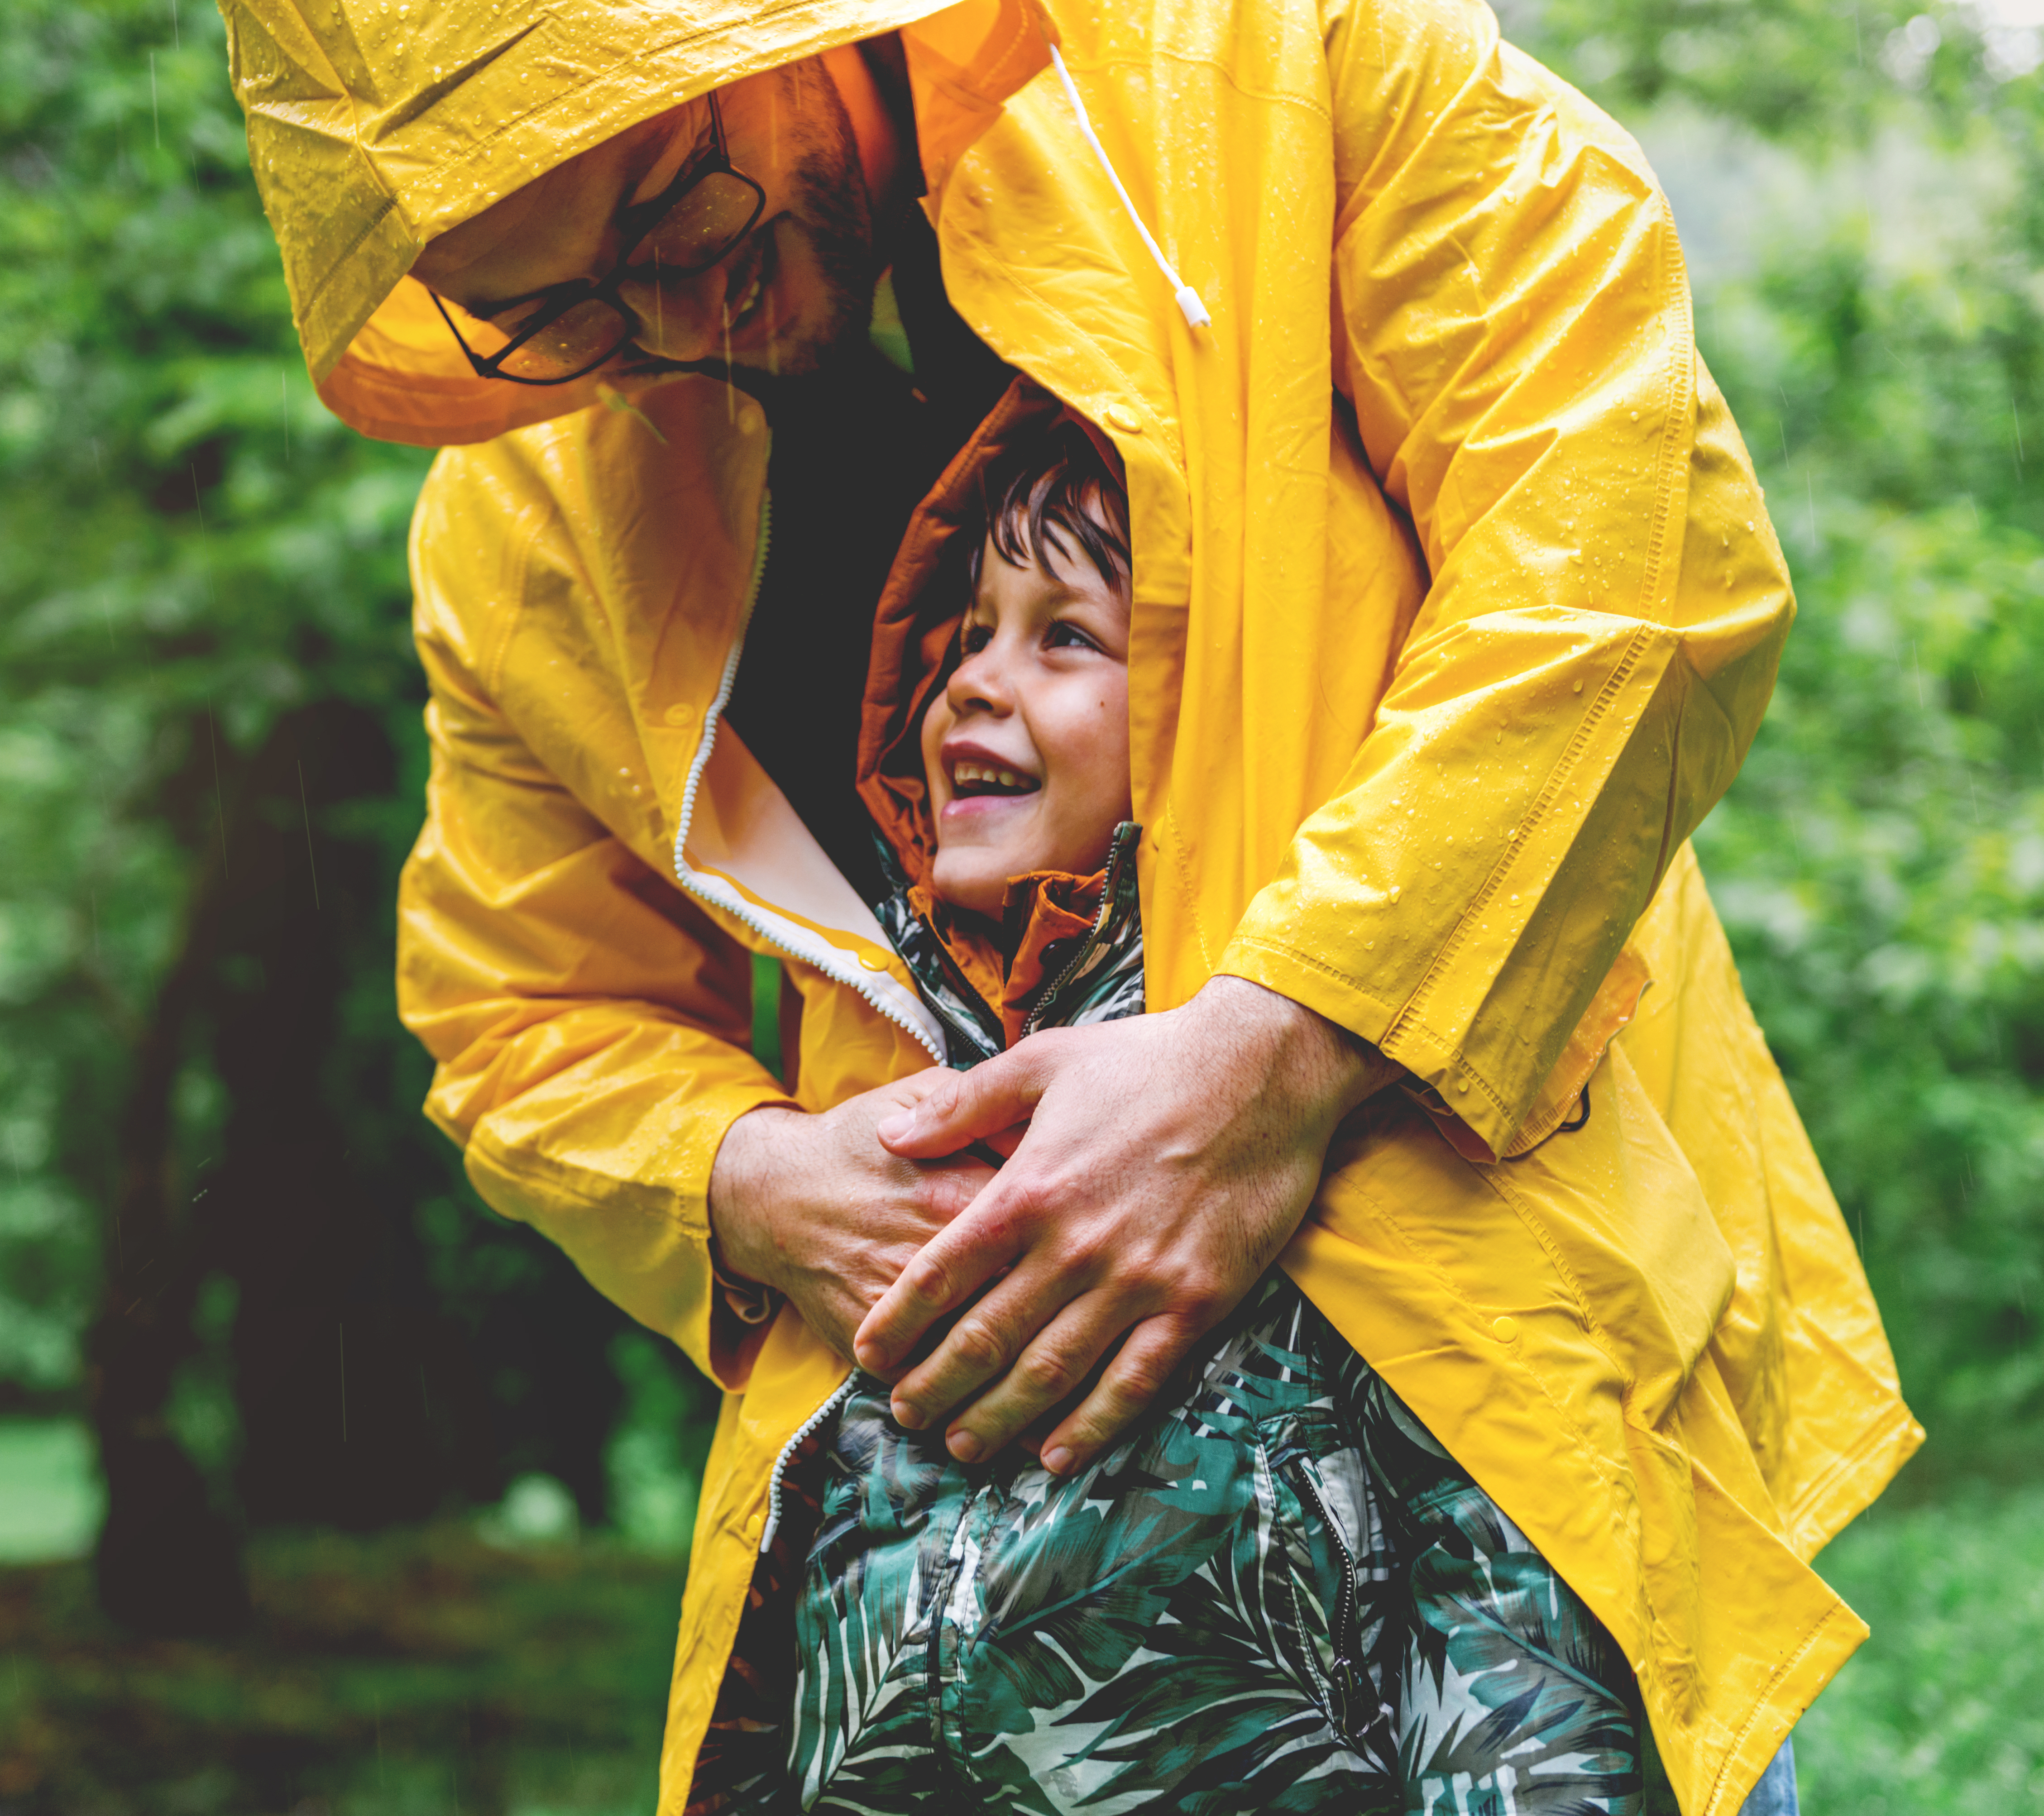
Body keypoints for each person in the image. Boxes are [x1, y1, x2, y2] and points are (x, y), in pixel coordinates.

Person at [216, 2, 1920, 1812]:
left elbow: (1629, 549)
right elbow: (521, 1014)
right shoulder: (528, 528)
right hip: (939, 1618)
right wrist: (743, 1181)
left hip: (1492, 1481)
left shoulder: (1273, 58)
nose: (664, 321)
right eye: (547, 312)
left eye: (670, 211)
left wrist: (1282, 1054)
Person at [702, 387, 1670, 1813]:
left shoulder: (1333, 1119)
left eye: (1065, 637)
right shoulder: (885, 1089)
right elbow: (800, 1598)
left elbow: (1512, 1608)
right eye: (965, 633)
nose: (970, 680)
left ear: (1205, 719)